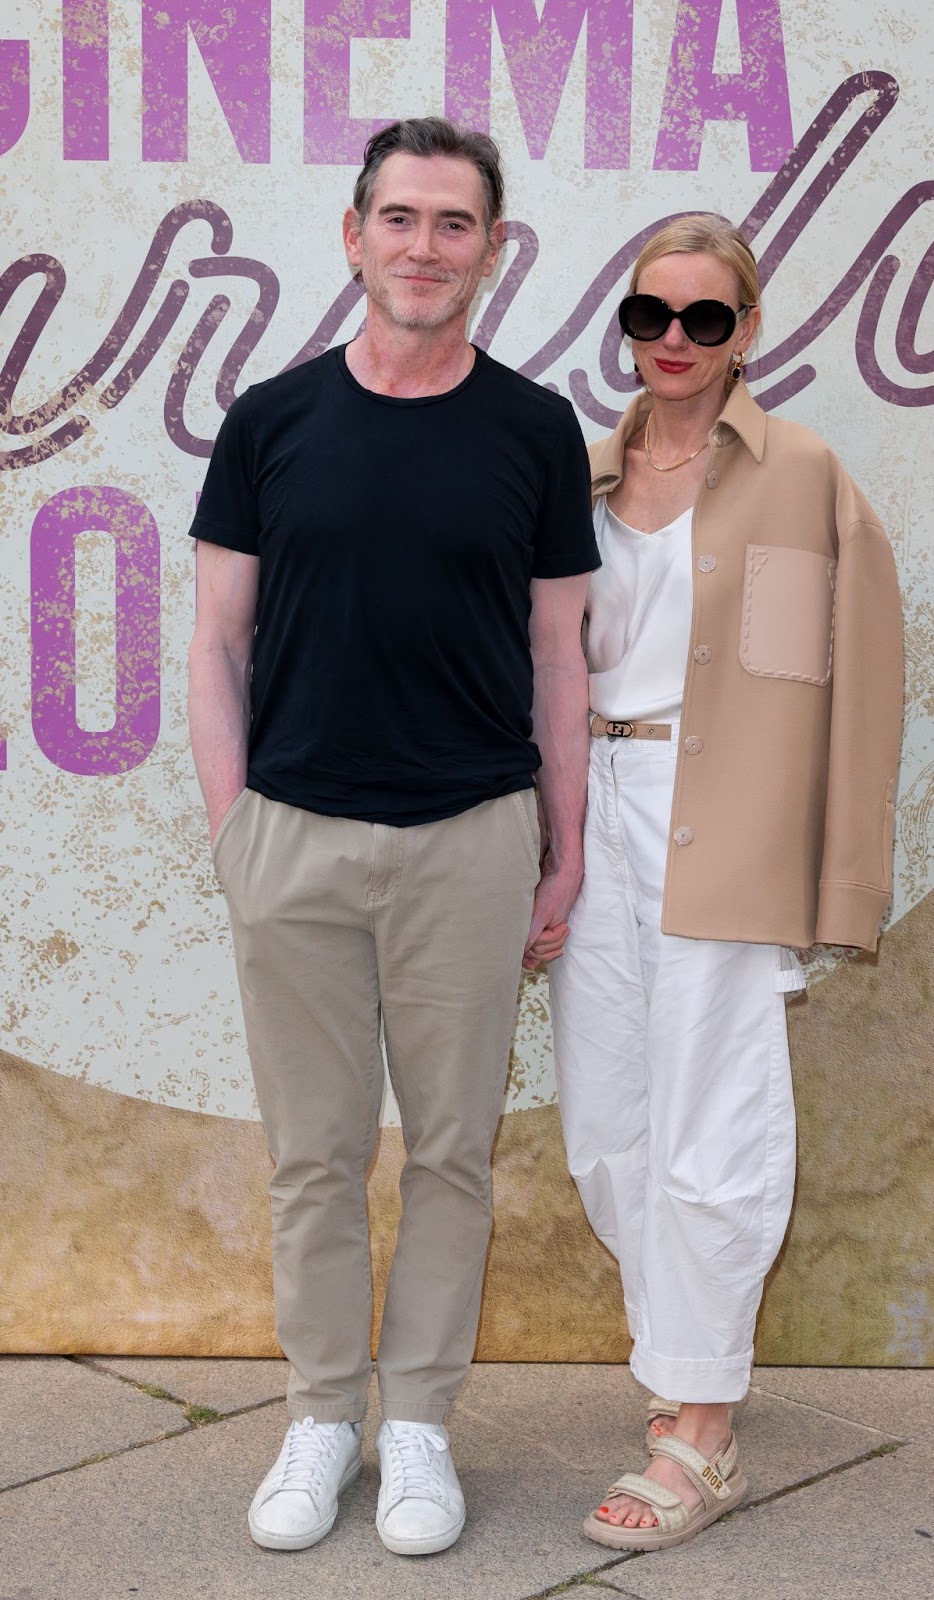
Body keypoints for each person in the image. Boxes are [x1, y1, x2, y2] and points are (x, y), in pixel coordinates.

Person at [187, 117, 598, 1557]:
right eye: (402, 218)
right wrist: (236, 827)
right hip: (292, 838)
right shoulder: (270, 421)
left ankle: (416, 1421)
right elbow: (217, 642)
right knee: (312, 1154)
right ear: (353, 235)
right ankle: (322, 1417)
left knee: (450, 1153)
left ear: (491, 249)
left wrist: (561, 847)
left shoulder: (534, 429)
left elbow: (559, 656)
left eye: (454, 223)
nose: (425, 246)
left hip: (470, 840)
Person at [548, 215, 904, 1551]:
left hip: (732, 826)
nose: (676, 343)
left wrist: (838, 885)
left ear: (747, 330)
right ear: (625, 325)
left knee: (716, 1118)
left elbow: (859, 691)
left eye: (706, 319)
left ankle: (699, 1424)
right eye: (652, 316)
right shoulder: (571, 484)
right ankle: (681, 1360)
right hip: (598, 820)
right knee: (607, 1126)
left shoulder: (803, 476)